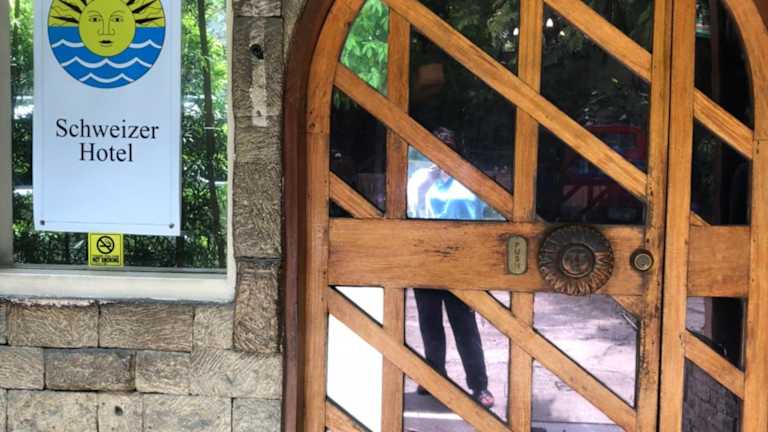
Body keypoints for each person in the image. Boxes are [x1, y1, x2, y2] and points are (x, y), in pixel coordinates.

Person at [407, 126, 495, 409]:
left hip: (460, 262)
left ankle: (479, 385)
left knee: (465, 326)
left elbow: (479, 217)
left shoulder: (468, 178)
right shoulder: (419, 178)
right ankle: (434, 377)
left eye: (449, 146)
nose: (443, 152)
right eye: (437, 147)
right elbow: (412, 211)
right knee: (429, 323)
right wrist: (429, 179)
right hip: (426, 260)